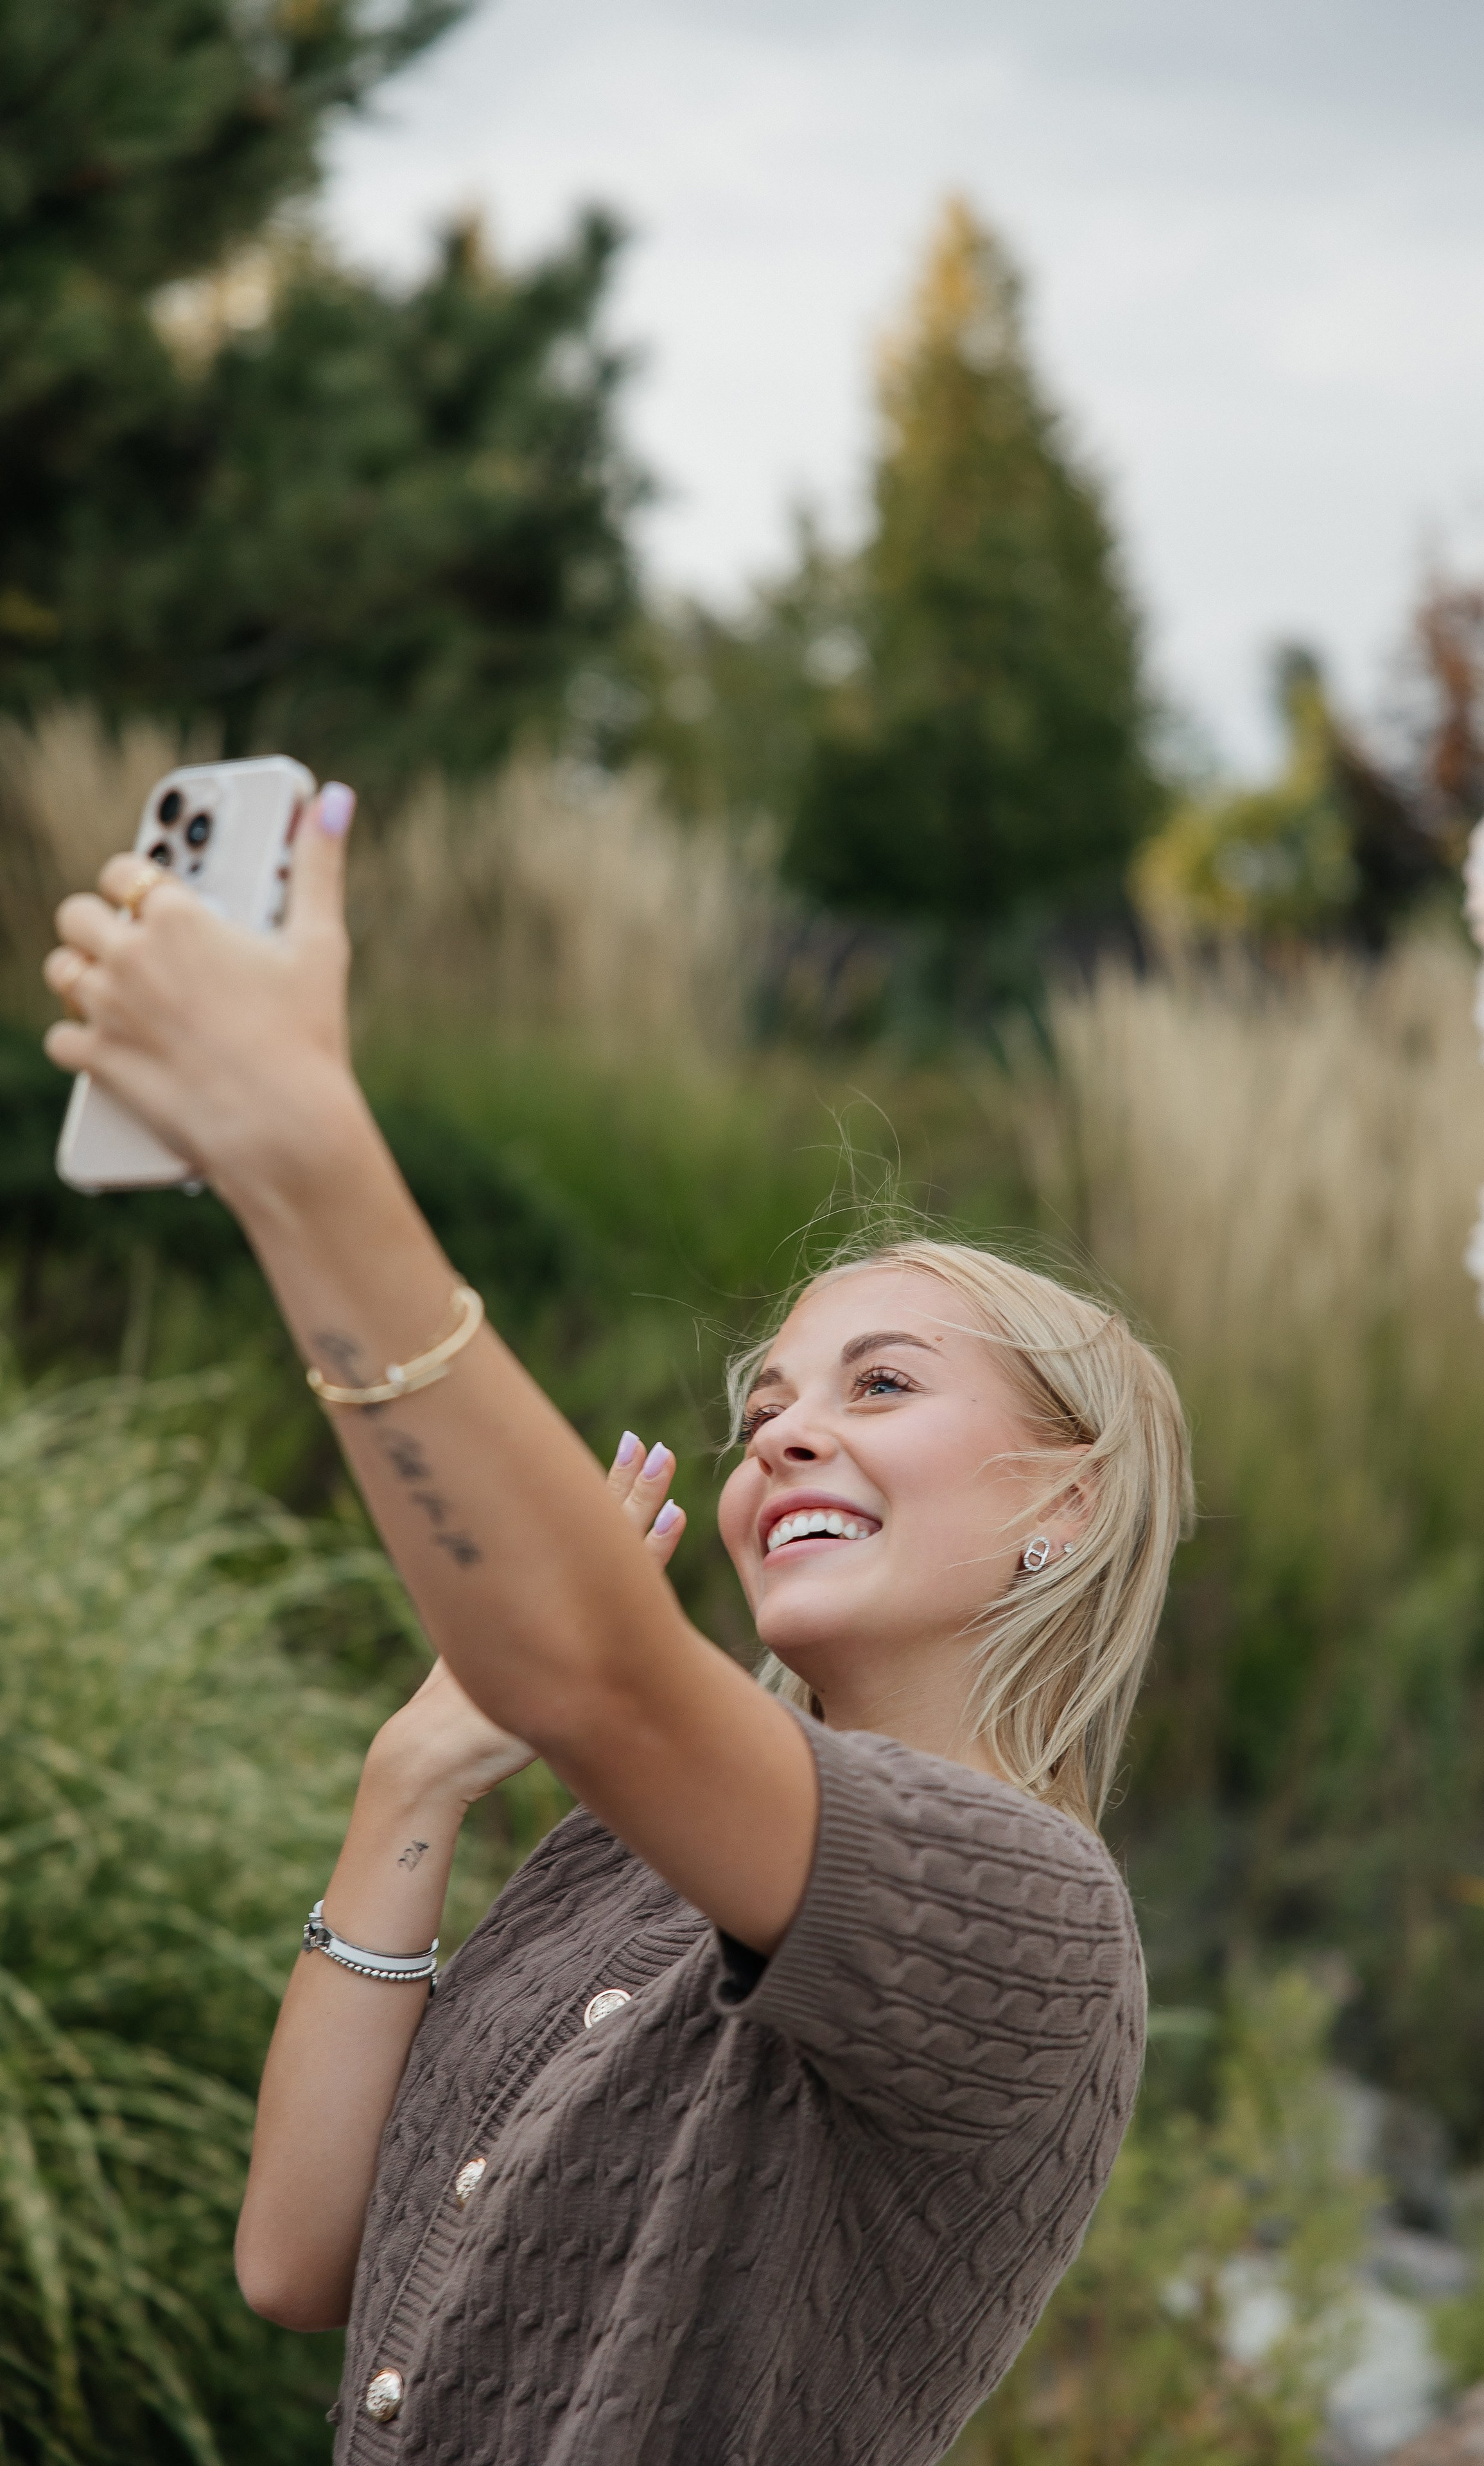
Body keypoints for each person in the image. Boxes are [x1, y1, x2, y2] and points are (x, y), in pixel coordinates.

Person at [42, 782, 1193, 2466]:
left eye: (882, 1386)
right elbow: (298, 2259)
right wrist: (416, 1773)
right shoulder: (621, 1858)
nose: (790, 1432)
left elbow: (589, 1657)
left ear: (1063, 1503)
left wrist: (303, 1145)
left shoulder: (1034, 1925)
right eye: (771, 1404)